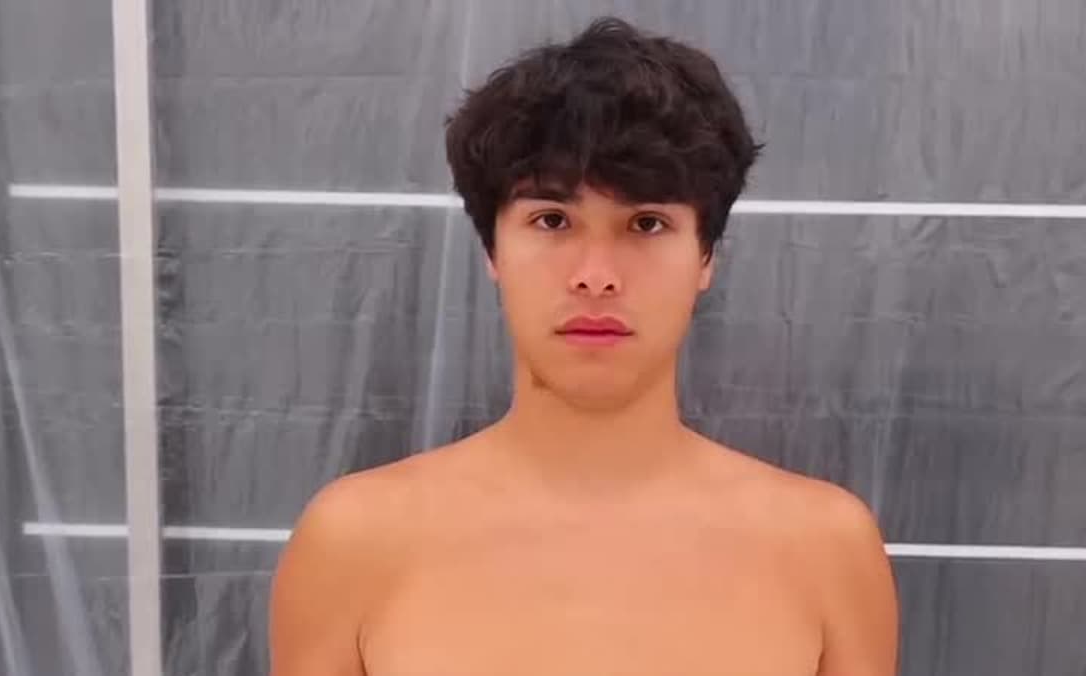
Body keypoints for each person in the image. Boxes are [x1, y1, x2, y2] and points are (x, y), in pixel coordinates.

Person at [270, 16, 899, 676]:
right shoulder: (354, 543)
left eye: (646, 224)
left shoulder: (825, 551)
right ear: (492, 250)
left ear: (706, 255)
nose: (596, 274)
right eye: (552, 220)